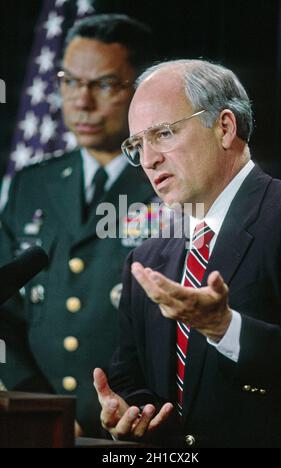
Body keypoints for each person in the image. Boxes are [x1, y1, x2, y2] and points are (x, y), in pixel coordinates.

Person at [93, 59, 281, 448]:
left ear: (224, 127)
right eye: (138, 144)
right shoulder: (146, 257)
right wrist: (135, 413)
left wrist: (225, 328)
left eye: (164, 134)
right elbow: (128, 376)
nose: (149, 159)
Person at [0, 14, 155, 437]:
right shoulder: (31, 185)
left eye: (104, 85)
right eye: (70, 81)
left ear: (141, 90)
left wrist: (139, 412)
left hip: (137, 427)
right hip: (40, 422)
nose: (81, 101)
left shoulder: (170, 183)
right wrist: (34, 400)